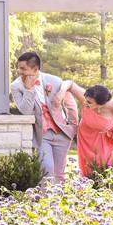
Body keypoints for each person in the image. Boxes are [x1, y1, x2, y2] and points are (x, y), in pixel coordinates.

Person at [10, 51, 79, 182]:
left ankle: (58, 201)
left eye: (23, 68)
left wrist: (72, 126)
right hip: (41, 135)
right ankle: (44, 198)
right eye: (18, 67)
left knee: (59, 174)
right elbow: (25, 110)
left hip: (62, 133)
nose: (19, 71)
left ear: (35, 69)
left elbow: (70, 104)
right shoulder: (16, 86)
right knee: (46, 169)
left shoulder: (55, 81)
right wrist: (29, 90)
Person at [57, 81, 113, 177]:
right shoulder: (86, 98)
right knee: (87, 170)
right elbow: (70, 84)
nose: (85, 103)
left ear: (100, 104)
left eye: (89, 102)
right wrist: (61, 92)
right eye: (86, 100)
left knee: (104, 170)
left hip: (104, 143)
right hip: (86, 140)